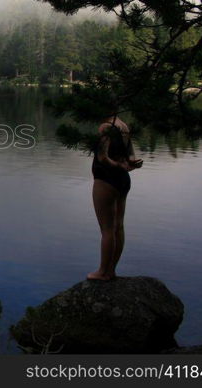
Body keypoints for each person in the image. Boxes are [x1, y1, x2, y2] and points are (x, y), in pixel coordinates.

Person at [87, 113, 142, 281]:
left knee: (107, 230)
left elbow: (102, 157)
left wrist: (117, 165)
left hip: (106, 180)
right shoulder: (123, 125)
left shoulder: (105, 127)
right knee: (118, 227)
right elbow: (131, 156)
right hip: (123, 180)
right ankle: (111, 270)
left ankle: (103, 272)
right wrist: (127, 165)